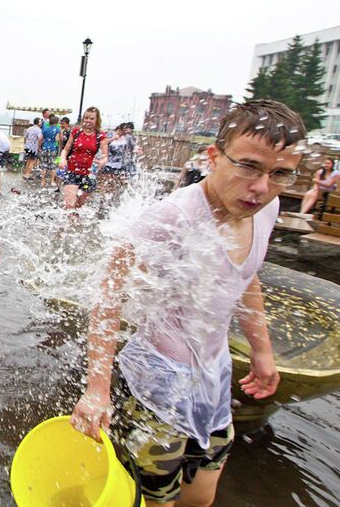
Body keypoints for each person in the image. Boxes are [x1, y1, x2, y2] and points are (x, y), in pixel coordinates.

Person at [70, 99, 303, 507]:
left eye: (280, 174)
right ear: (214, 157)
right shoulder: (170, 218)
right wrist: (96, 389)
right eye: (248, 166)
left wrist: (263, 351)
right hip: (155, 385)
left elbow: (246, 279)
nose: (262, 187)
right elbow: (108, 300)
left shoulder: (266, 209)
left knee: (201, 497)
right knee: (155, 497)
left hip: (213, 378)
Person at [59, 107, 108, 209]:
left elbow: (105, 156)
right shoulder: (76, 132)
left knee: (78, 206)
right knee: (69, 205)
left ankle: (74, 223)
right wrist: (62, 159)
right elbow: (66, 149)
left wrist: (103, 160)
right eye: (86, 118)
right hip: (72, 172)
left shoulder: (100, 136)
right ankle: (68, 224)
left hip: (89, 175)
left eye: (91, 118)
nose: (88, 121)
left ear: (96, 120)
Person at [39, 115, 61, 188]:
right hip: (52, 149)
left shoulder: (45, 129)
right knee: (53, 166)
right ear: (56, 122)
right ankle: (52, 181)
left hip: (45, 148)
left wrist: (39, 147)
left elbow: (41, 139)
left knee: (44, 165)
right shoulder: (57, 129)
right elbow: (57, 139)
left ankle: (42, 181)